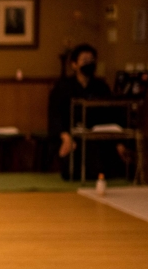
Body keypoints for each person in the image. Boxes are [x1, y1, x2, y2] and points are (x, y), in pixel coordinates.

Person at [47, 44, 130, 180]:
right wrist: (65, 136)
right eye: (85, 61)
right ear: (74, 65)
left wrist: (118, 142)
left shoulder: (101, 86)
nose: (89, 64)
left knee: (109, 167)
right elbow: (55, 115)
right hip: (73, 136)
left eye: (92, 61)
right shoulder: (62, 87)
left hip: (98, 137)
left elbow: (112, 115)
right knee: (72, 171)